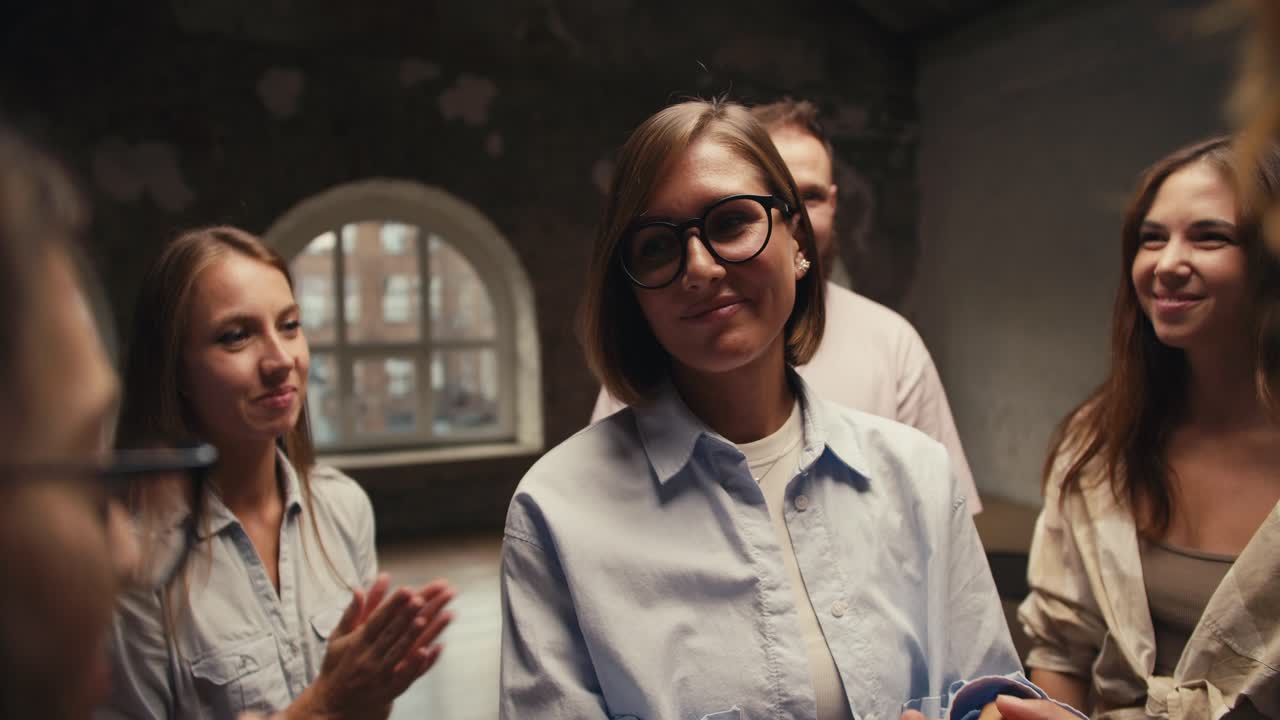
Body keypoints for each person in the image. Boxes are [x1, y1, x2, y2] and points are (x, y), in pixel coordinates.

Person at [500, 98, 1025, 720]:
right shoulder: (558, 510)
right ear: (631, 290)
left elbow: (987, 694)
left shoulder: (917, 475)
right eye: (656, 247)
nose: (699, 267)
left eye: (730, 224)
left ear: (796, 239)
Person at [99, 226, 455, 719]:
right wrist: (323, 705)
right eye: (236, 336)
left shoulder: (341, 507)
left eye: (289, 325)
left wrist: (369, 691)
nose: (281, 360)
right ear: (174, 370)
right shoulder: (134, 558)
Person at [589, 97, 981, 514]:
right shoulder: (660, 353)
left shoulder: (892, 341)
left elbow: (945, 523)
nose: (703, 267)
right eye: (733, 215)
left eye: (810, 197)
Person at [1018, 137, 1280, 718]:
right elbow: (1062, 648)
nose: (1166, 264)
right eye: (1151, 238)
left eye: (1210, 236)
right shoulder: (1101, 440)